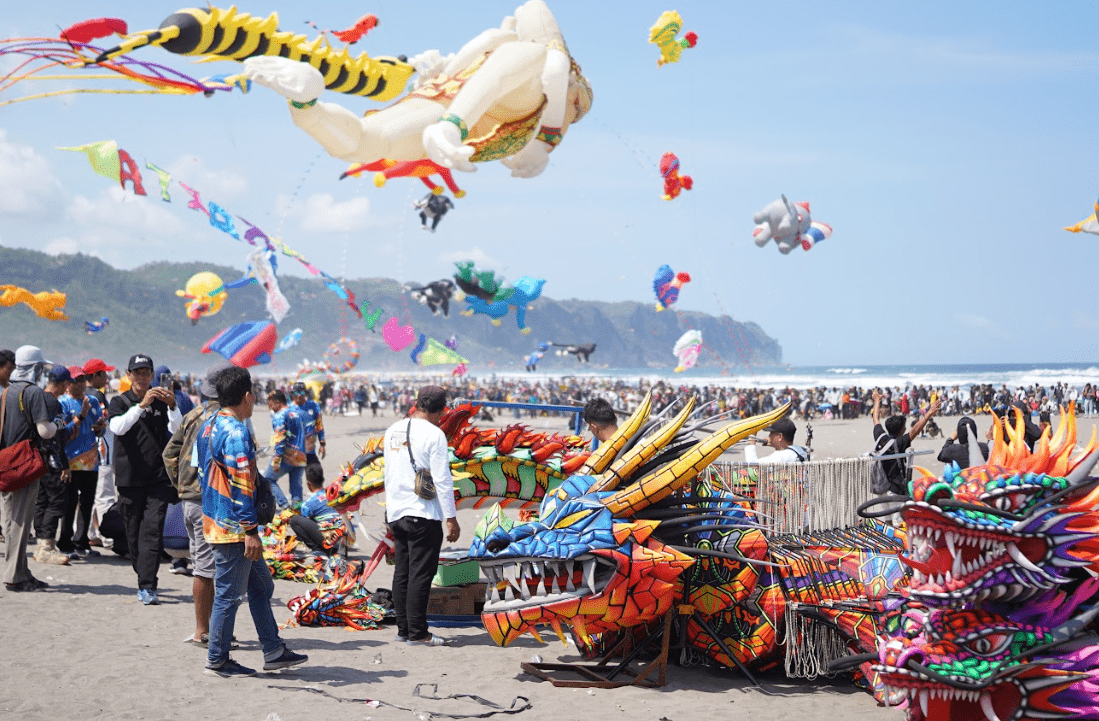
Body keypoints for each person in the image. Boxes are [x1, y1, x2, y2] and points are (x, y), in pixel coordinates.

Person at [247, 0, 592, 180]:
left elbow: (542, 57)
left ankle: (305, 105)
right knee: (365, 142)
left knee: (364, 143)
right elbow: (541, 61)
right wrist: (443, 73)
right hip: (465, 105)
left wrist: (545, 144)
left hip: (474, 108)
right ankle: (305, 104)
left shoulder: (528, 57)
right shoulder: (523, 55)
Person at [198, 365, 308, 677]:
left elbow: (202, 471)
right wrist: (250, 530)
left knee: (262, 586)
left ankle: (273, 650)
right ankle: (217, 659)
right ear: (247, 396)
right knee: (228, 596)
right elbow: (242, 483)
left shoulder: (209, 426)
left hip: (216, 517)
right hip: (232, 527)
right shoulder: (236, 432)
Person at [383, 385, 460, 646]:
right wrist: (450, 517)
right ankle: (418, 633)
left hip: (396, 512)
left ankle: (404, 629)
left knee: (402, 572)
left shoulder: (393, 430)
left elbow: (388, 473)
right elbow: (442, 479)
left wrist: (389, 510)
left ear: (416, 404)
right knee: (420, 574)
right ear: (440, 411)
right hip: (422, 513)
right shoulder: (435, 434)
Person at [108, 353, 183, 605]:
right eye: (137, 372)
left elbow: (178, 429)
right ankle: (143, 575)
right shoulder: (119, 402)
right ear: (128, 375)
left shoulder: (162, 402)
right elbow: (118, 427)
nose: (141, 377)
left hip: (157, 479)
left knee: (152, 532)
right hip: (129, 479)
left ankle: (148, 586)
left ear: (152, 375)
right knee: (133, 534)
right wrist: (140, 406)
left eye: (146, 372)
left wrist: (172, 405)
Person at [163, 362, 228, 647]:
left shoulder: (191, 415)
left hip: (190, 498)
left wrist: (181, 484)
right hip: (208, 500)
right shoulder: (222, 419)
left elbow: (169, 453)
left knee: (206, 565)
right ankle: (205, 631)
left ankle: (212, 628)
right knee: (207, 568)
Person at [1, 346, 62, 591]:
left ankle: (22, 572)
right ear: (35, 368)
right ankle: (14, 577)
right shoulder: (33, 392)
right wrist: (58, 423)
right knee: (20, 523)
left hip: (5, 462)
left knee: (10, 521)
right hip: (24, 464)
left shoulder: (7, 391)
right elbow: (44, 431)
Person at [57, 365, 105, 558]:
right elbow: (62, 431)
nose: (80, 384)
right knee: (69, 503)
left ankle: (82, 541)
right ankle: (65, 542)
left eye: (83, 380)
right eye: (76, 380)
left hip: (90, 459)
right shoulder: (62, 403)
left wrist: (100, 427)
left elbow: (98, 427)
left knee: (87, 503)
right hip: (70, 459)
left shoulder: (92, 400)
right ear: (68, 383)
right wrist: (80, 417)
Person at [33, 365, 73, 566]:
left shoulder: (37, 397)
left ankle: (40, 544)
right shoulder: (54, 404)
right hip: (51, 458)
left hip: (35, 459)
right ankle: (47, 546)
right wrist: (64, 464)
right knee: (56, 500)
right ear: (65, 384)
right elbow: (56, 437)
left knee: (41, 500)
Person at [871, 389, 941, 497]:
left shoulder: (880, 437)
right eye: (904, 427)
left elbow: (875, 419)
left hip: (882, 488)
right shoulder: (899, 443)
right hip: (895, 491)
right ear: (900, 431)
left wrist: (877, 402)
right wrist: (928, 414)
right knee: (897, 514)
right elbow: (915, 430)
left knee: (886, 514)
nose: (905, 429)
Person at [82, 358, 116, 550]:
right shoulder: (97, 397)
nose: (106, 378)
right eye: (104, 374)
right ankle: (109, 536)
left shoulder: (80, 394)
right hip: (101, 452)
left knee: (87, 496)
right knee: (105, 496)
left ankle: (90, 533)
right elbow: (102, 424)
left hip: (84, 455)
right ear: (95, 376)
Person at [288, 464, 345, 557]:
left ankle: (318, 549)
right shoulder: (333, 494)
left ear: (308, 484)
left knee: (294, 520)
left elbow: (304, 528)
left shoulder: (308, 504)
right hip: (345, 537)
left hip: (331, 538)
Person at [265, 389, 307, 508]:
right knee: (296, 485)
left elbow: (280, 438)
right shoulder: (296, 413)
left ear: (278, 403)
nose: (270, 407)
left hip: (287, 454)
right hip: (301, 454)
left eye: (271, 404)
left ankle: (284, 506)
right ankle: (297, 510)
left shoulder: (279, 415)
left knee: (268, 479)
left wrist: (277, 459)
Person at [291, 383, 326, 465]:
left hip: (309, 451)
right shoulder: (288, 408)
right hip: (293, 452)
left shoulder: (313, 406)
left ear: (305, 393)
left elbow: (319, 426)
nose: (299, 395)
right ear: (293, 394)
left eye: (302, 392)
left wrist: (322, 444)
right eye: (296, 392)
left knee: (315, 474)